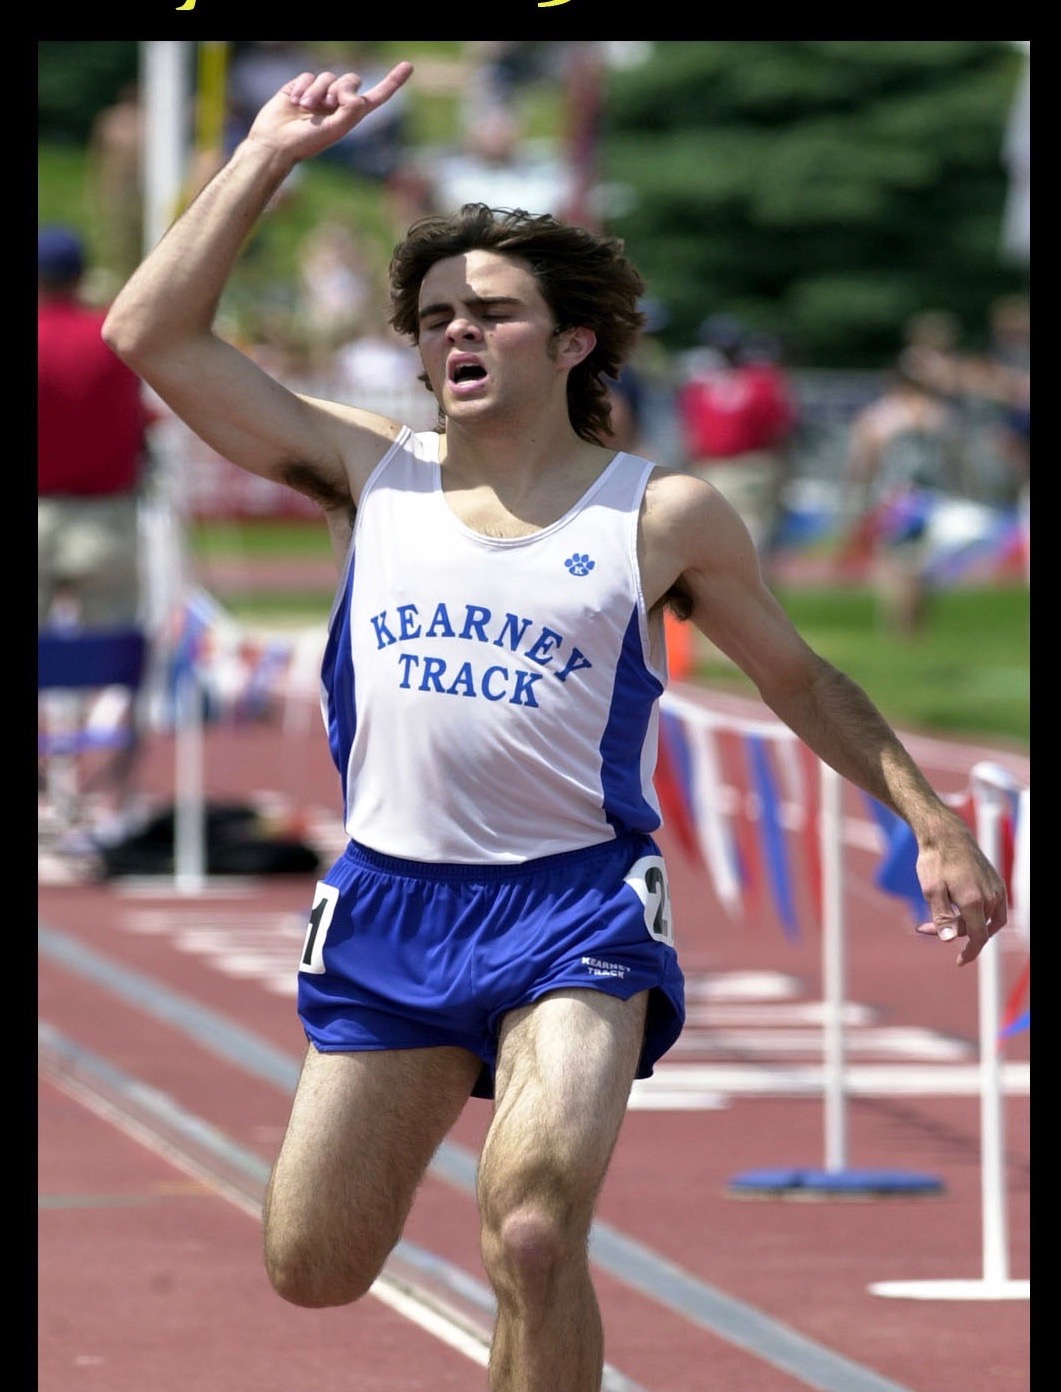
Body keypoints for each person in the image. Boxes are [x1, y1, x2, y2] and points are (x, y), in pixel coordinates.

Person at [101, 64, 1008, 1392]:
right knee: (312, 1264)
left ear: (572, 339)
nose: (455, 336)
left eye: (491, 314)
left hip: (572, 911)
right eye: (433, 320)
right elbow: (149, 338)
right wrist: (265, 156)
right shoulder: (370, 475)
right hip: (389, 908)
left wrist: (934, 826)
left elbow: (801, 680)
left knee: (531, 1229)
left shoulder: (660, 517)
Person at [839, 349, 963, 635]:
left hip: (895, 497)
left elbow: (865, 458)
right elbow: (956, 460)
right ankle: (916, 626)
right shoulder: (940, 415)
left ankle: (900, 629)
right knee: (920, 566)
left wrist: (855, 492)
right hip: (933, 496)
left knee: (894, 567)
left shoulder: (882, 416)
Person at [676, 313, 798, 577]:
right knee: (753, 535)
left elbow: (692, 432)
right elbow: (780, 429)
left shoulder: (701, 383)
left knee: (720, 537)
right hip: (749, 466)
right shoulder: (762, 381)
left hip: (720, 466)